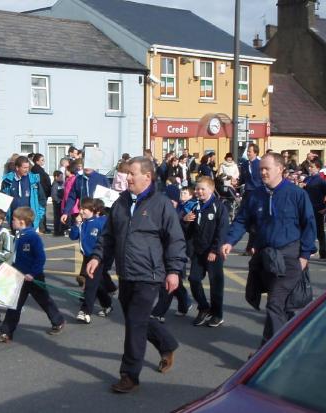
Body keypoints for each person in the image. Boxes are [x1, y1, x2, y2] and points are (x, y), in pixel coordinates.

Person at [86, 156, 186, 393]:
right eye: (126, 173)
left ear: (147, 177)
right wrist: (96, 257)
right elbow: (108, 236)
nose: (127, 177)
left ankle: (129, 375)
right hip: (126, 272)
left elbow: (175, 240)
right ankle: (167, 343)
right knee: (135, 318)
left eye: (132, 174)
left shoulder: (161, 204)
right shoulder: (120, 203)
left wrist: (174, 271)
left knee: (134, 323)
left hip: (150, 274)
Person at [221, 153, 317, 346]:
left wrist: (305, 256)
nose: (262, 172)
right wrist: (230, 241)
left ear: (280, 169)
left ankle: (268, 355)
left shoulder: (296, 194)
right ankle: (294, 343)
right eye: (261, 169)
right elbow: (241, 220)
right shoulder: (256, 195)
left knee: (275, 304)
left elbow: (309, 224)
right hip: (267, 257)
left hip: (290, 256)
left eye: (267, 169)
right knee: (283, 305)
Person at [0, 207, 66, 343]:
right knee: (14, 304)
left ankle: (58, 320)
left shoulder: (32, 237)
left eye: (13, 220)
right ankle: (6, 332)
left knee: (44, 300)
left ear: (22, 222)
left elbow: (40, 258)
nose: (11, 222)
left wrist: (32, 273)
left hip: (33, 276)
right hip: (19, 276)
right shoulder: (19, 235)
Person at [183, 177, 229, 327]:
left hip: (213, 252)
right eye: (197, 189)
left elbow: (222, 231)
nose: (199, 192)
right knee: (194, 279)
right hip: (199, 251)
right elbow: (188, 231)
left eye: (202, 189)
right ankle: (204, 307)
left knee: (216, 284)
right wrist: (185, 221)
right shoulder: (195, 206)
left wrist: (215, 250)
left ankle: (217, 314)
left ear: (211, 189)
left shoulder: (218, 206)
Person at [151, 187, 195, 322]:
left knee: (167, 282)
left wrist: (184, 221)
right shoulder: (162, 211)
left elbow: (182, 232)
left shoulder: (184, 210)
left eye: (172, 200)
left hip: (176, 251)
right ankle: (185, 303)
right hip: (162, 251)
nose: (169, 203)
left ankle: (159, 312)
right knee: (176, 283)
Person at [70, 198, 113, 324]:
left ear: (93, 210)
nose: (81, 211)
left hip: (98, 257)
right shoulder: (83, 223)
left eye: (84, 209)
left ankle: (85, 311)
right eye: (80, 208)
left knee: (90, 284)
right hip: (86, 257)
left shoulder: (101, 222)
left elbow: (107, 239)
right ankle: (107, 304)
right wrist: (76, 224)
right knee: (97, 284)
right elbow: (73, 236)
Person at [1, 156, 46, 230]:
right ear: (17, 168)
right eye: (24, 168)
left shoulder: (33, 181)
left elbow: (42, 199)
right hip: (14, 220)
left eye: (28, 167)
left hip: (30, 221)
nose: (27, 170)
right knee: (17, 241)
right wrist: (6, 215)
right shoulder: (7, 181)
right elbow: (3, 199)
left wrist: (39, 215)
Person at [302, 159, 326, 260]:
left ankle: (323, 252)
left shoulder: (321, 181)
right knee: (306, 229)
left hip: (317, 208)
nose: (310, 168)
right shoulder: (307, 179)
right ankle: (310, 249)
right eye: (309, 166)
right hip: (306, 209)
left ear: (318, 168)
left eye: (312, 167)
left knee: (319, 232)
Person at [238, 143, 263, 255]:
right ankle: (252, 246)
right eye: (247, 151)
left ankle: (252, 247)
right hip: (248, 193)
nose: (248, 153)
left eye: (250, 151)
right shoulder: (244, 164)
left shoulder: (260, 164)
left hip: (258, 193)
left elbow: (263, 179)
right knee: (246, 219)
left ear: (255, 152)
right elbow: (242, 180)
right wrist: (236, 183)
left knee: (255, 221)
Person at [31, 154, 52, 233]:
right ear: (37, 161)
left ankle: (43, 227)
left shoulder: (39, 169)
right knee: (41, 211)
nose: (44, 161)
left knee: (42, 210)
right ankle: (42, 228)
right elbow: (41, 183)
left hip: (43, 193)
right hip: (41, 194)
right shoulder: (36, 170)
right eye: (42, 160)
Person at [51, 170, 65, 236]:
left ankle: (61, 230)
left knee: (61, 217)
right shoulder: (55, 184)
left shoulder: (61, 183)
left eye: (62, 177)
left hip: (61, 203)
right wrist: (59, 201)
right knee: (57, 218)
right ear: (56, 177)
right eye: (60, 177)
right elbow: (54, 195)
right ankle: (57, 232)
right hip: (57, 203)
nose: (62, 178)